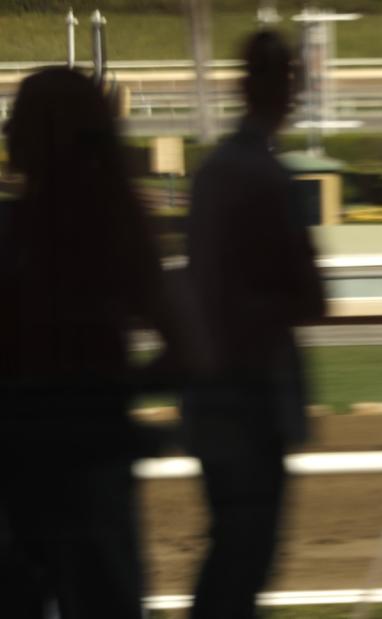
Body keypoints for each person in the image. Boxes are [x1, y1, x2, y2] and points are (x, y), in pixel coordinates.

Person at [0, 67, 186, 618]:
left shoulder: (17, 234)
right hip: (91, 477)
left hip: (28, 484)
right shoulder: (118, 230)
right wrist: (110, 401)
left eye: (17, 121)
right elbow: (186, 347)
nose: (7, 131)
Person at [183, 30, 327, 619]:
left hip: (213, 396)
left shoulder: (214, 171)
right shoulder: (269, 179)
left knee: (228, 560)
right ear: (285, 90)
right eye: (290, 79)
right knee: (243, 565)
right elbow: (314, 299)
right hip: (255, 398)